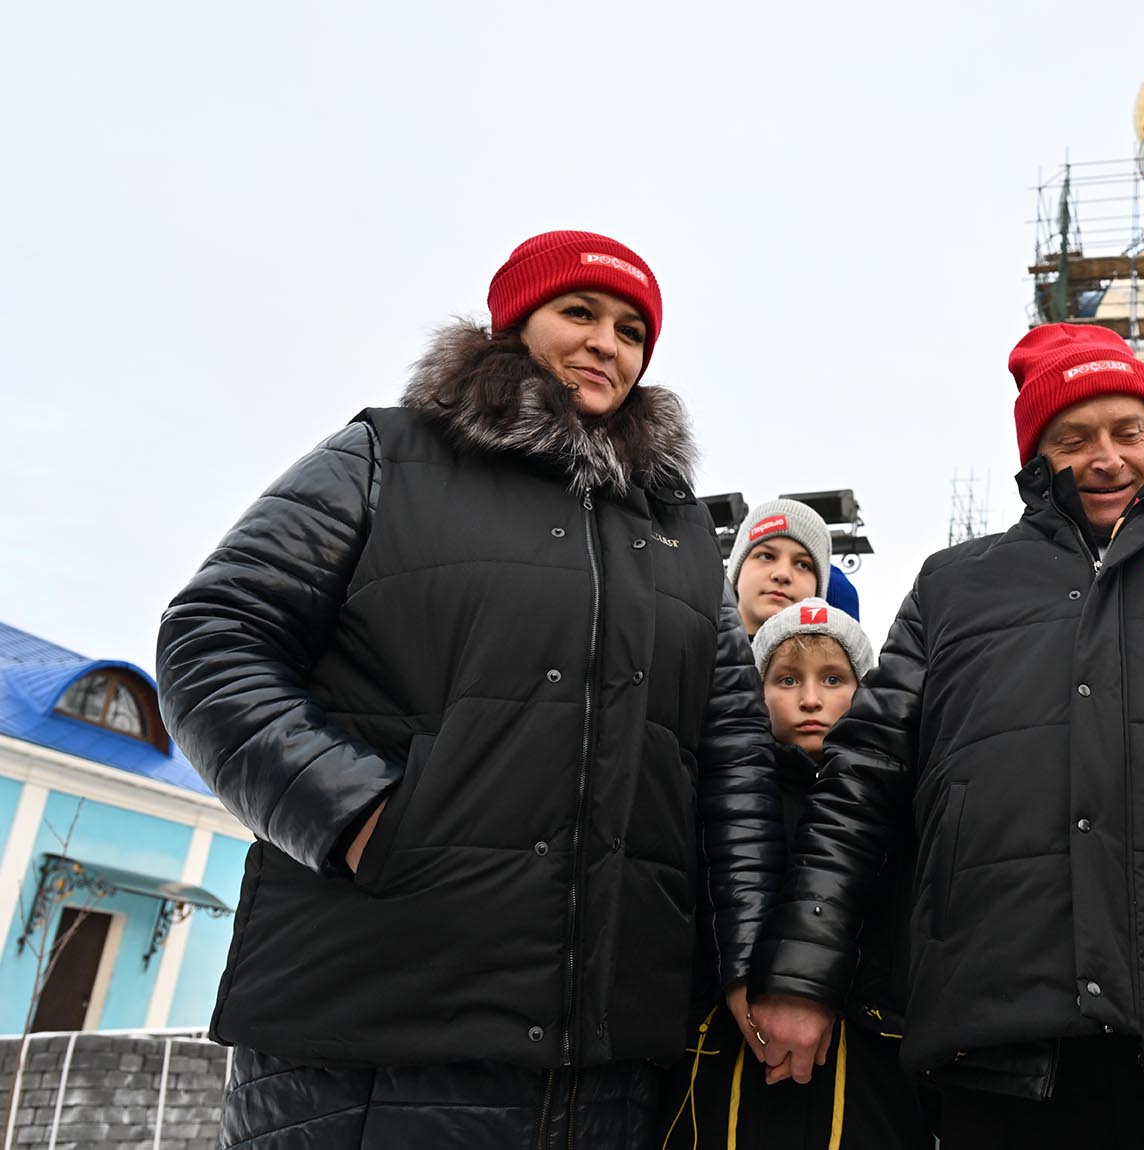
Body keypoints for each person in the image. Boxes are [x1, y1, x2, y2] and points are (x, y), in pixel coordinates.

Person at [156, 230, 785, 1149]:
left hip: (604, 1059)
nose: (606, 343)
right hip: (370, 1028)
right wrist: (359, 817)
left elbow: (731, 755)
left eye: (630, 328)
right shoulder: (385, 459)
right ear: (513, 324)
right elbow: (213, 638)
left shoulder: (679, 532)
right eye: (578, 313)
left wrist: (747, 952)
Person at [744, 323, 1144, 1149]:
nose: (1107, 459)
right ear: (1036, 456)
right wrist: (802, 978)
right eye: (1073, 438)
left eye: (1129, 433)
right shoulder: (955, 587)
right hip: (1002, 1037)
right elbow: (859, 790)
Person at [662, 598, 930, 1149]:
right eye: (786, 680)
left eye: (834, 678)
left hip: (866, 1082)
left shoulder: (901, 809)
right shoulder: (718, 809)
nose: (811, 699)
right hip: (729, 1073)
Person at [730, 499, 831, 636]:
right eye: (766, 556)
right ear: (736, 572)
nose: (782, 574)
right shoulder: (694, 650)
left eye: (803, 565)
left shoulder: (844, 657)